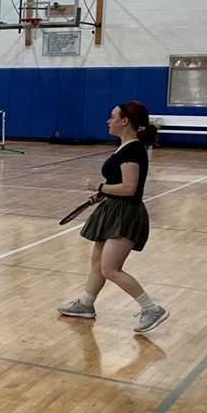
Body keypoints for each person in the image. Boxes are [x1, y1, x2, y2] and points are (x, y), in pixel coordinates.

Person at [58, 100, 168, 333]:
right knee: (97, 263)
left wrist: (98, 186)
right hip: (113, 209)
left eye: (113, 116)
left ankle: (152, 309)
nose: (109, 121)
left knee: (111, 268)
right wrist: (101, 194)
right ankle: (85, 304)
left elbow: (129, 188)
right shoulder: (123, 147)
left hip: (126, 214)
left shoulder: (133, 150)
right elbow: (117, 183)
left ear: (125, 120)